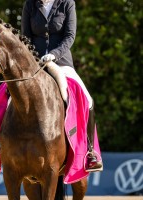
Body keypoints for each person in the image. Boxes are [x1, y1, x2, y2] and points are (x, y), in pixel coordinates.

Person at [21, 0, 103, 172]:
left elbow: (70, 36)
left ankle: (90, 152)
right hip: (34, 64)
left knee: (87, 100)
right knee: (4, 95)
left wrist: (53, 54)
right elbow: (25, 37)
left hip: (61, 63)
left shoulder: (67, 3)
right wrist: (32, 58)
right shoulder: (30, 4)